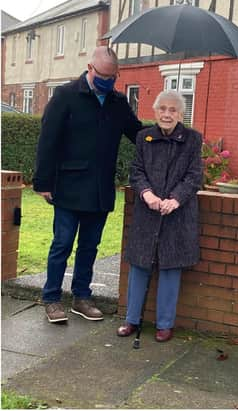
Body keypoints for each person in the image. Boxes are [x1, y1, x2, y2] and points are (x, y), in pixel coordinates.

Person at [33, 46, 143, 324]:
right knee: (62, 243)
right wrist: (43, 182)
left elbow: (137, 133)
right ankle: (52, 298)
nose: (107, 80)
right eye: (103, 75)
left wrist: (169, 136)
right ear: (90, 68)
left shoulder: (118, 102)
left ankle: (81, 297)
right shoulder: (66, 96)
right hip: (68, 185)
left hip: (100, 188)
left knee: (90, 246)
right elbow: (48, 140)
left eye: (112, 76)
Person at [117, 90, 203, 343]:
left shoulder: (192, 139)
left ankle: (165, 324)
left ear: (181, 114)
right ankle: (132, 319)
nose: (167, 114)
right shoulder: (145, 137)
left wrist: (175, 199)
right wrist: (147, 194)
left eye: (173, 110)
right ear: (155, 111)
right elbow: (136, 171)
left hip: (178, 213)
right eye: (162, 109)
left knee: (170, 267)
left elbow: (194, 176)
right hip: (148, 212)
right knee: (139, 265)